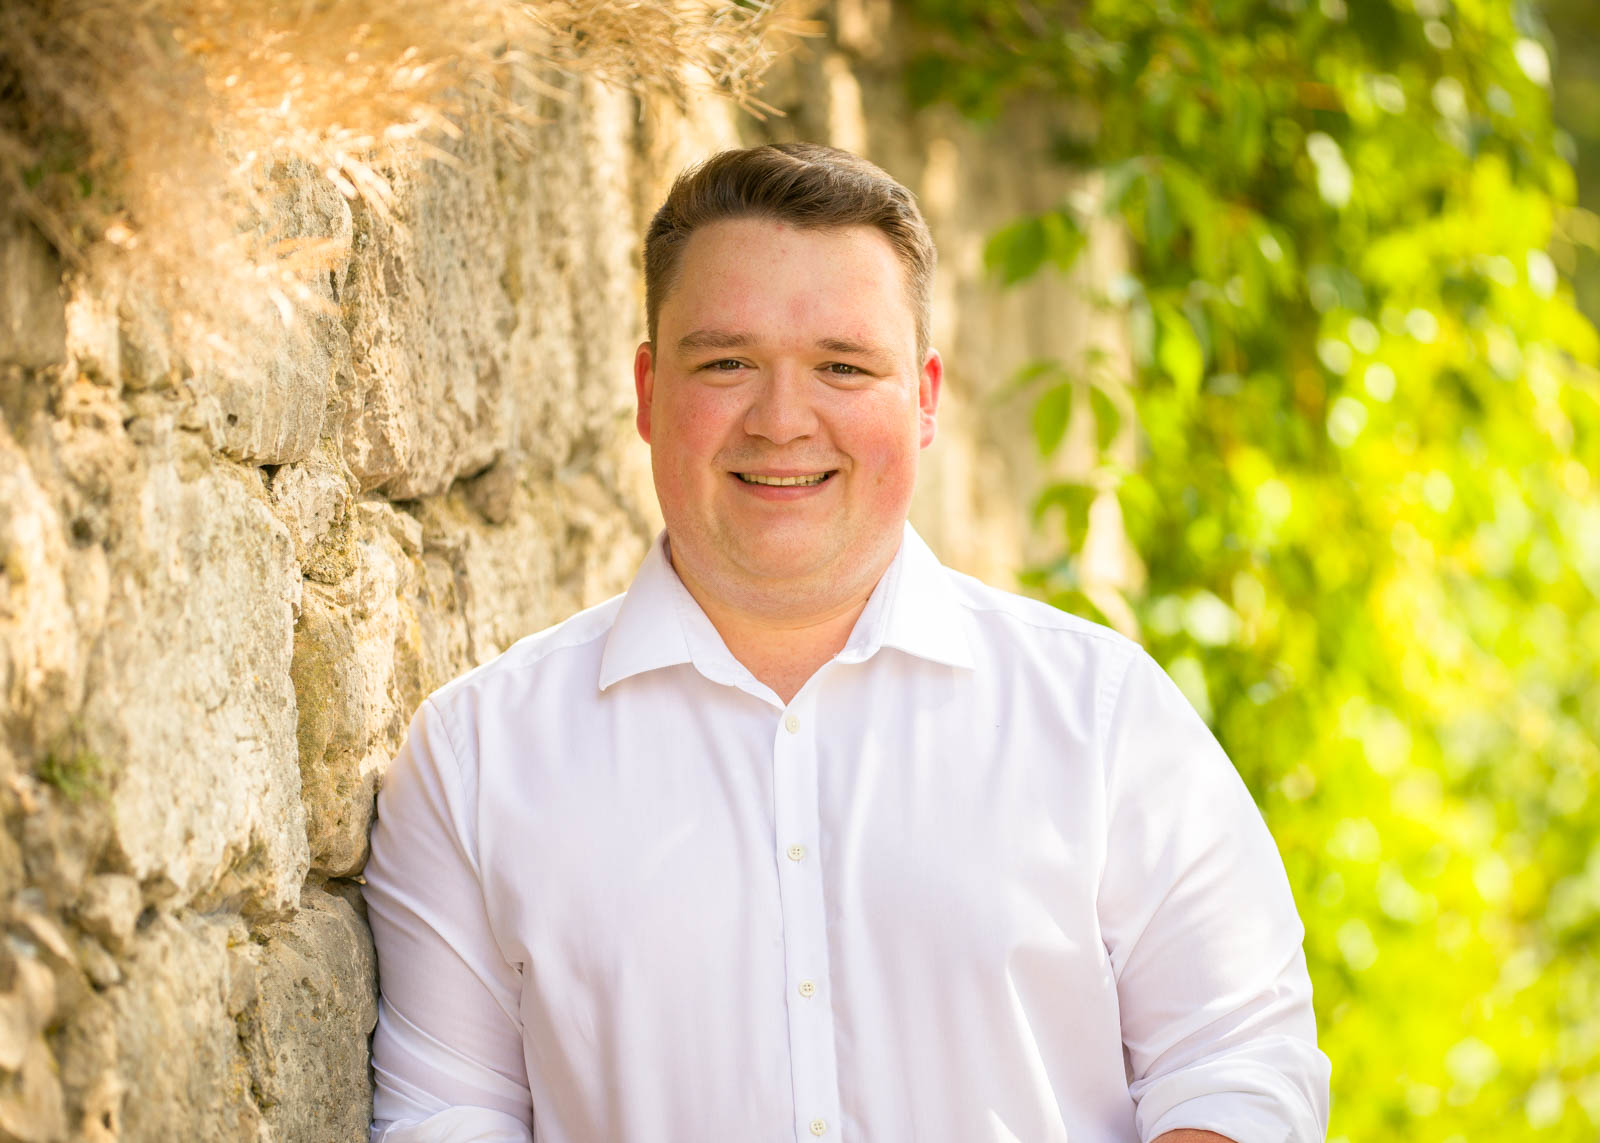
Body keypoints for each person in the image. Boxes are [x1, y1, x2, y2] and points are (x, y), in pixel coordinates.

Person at [361, 142, 1331, 1143]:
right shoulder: (476, 760)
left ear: (924, 397)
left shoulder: (1102, 718)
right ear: (648, 393)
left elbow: (1238, 1069)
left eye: (843, 366)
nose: (782, 421)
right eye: (727, 363)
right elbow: (444, 1118)